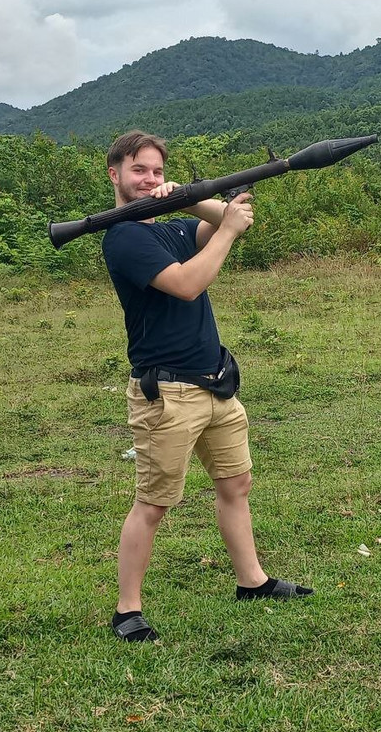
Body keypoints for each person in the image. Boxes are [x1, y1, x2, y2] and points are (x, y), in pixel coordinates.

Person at [101, 131, 312, 642]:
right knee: (153, 503)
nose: (149, 179)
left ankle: (252, 582)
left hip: (215, 383)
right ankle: (128, 611)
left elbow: (226, 222)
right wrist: (227, 228)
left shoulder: (172, 227)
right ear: (115, 175)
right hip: (167, 394)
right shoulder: (124, 238)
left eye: (156, 171)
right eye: (139, 171)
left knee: (236, 483)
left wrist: (190, 197)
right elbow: (189, 282)